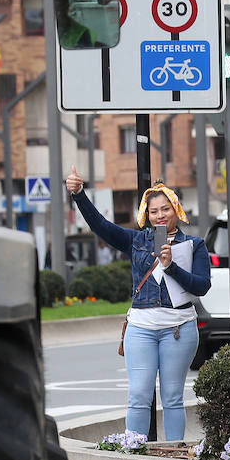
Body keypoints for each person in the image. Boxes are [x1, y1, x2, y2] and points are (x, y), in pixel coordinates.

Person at [64, 166, 211, 440]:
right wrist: (79, 195)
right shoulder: (136, 241)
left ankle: (174, 453)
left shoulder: (194, 245)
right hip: (141, 328)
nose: (159, 215)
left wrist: (171, 267)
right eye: (154, 211)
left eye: (165, 209)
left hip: (178, 328)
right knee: (139, 396)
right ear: (145, 213)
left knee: (172, 397)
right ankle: (135, 451)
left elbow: (202, 285)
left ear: (176, 210)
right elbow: (101, 226)